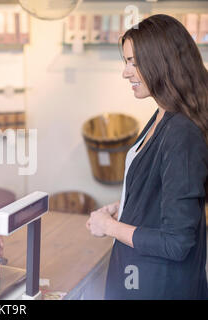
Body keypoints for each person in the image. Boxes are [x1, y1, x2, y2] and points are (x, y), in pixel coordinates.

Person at [86, 14, 208, 299]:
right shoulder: (162, 115)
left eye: (133, 62)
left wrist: (110, 227)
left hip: (158, 287)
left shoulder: (182, 133)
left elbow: (176, 242)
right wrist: (128, 203)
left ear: (161, 63)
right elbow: (165, 187)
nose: (125, 72)